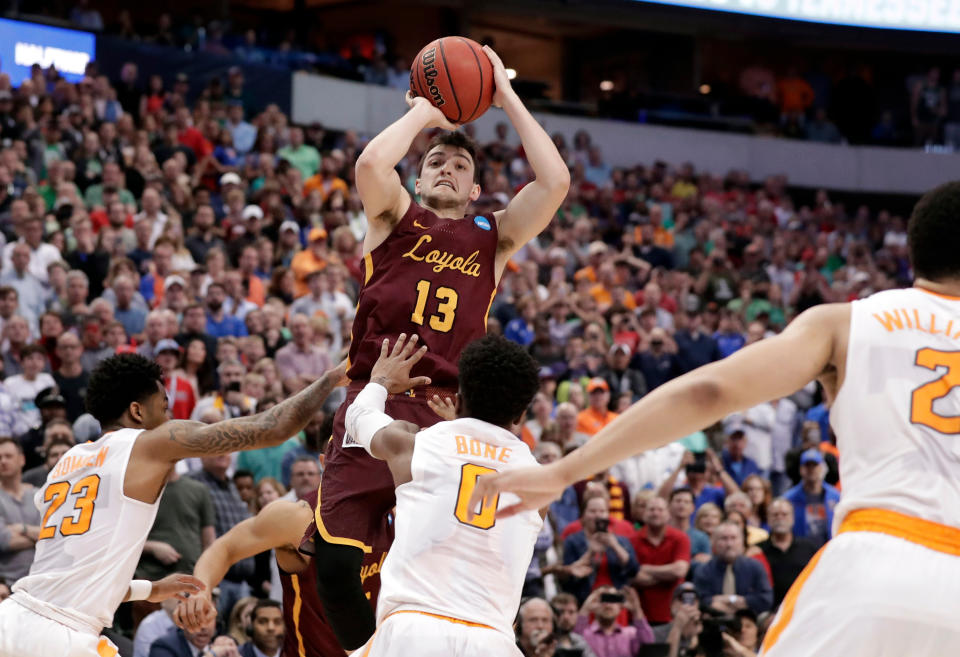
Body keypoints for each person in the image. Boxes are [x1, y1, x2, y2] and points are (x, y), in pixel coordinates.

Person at [471, 183, 960, 656]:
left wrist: (563, 472)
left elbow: (712, 391)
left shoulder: (847, 322)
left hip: (878, 560)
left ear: (913, 253)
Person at [308, 43, 569, 651]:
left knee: (444, 559)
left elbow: (554, 181)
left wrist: (503, 95)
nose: (447, 169)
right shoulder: (392, 217)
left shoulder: (494, 237)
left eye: (459, 165)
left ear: (475, 188)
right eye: (436, 163)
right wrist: (425, 112)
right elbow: (373, 163)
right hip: (372, 396)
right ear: (418, 177)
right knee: (337, 563)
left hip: (447, 416)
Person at [0, 352, 347, 657]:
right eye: (163, 407)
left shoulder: (66, 463)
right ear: (137, 411)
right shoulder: (151, 443)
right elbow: (271, 428)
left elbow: (68, 576)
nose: (168, 418)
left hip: (13, 618)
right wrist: (330, 380)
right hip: (65, 636)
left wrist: (150, 589)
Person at [343, 334, 545, 656]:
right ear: (521, 415)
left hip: (413, 630)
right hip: (492, 641)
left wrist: (380, 380)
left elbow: (356, 419)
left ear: (460, 398)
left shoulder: (415, 445)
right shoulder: (539, 484)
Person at [173, 490, 346, 657]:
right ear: (324, 462)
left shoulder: (372, 516)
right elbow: (226, 549)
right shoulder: (298, 517)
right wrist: (201, 591)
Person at [629, 496, 691, 624]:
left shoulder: (680, 538)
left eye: (660, 510)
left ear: (668, 514)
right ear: (644, 514)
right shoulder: (632, 540)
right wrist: (667, 575)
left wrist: (644, 568)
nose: (656, 513)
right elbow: (633, 577)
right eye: (651, 509)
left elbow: (679, 571)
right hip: (641, 615)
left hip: (673, 615)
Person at [692, 522, 773, 615]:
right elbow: (699, 600)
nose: (729, 544)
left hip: (749, 621)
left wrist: (739, 600)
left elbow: (766, 599)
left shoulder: (755, 567)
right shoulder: (704, 570)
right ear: (713, 542)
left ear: (742, 541)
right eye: (724, 538)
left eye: (733, 538)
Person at [757, 499, 817, 607]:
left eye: (784, 514)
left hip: (802, 607)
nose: (780, 518)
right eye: (775, 515)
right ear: (768, 519)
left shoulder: (809, 548)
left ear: (792, 518)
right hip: (769, 612)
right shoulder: (758, 550)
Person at [780, 448, 840, 548]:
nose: (811, 469)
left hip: (829, 548)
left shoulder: (835, 496)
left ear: (821, 468)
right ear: (801, 469)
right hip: (801, 551)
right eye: (807, 466)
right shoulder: (789, 499)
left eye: (814, 465)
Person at [550, 593, 597, 657]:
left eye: (571, 612)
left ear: (577, 614)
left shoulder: (580, 641)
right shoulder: (545, 643)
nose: (566, 617)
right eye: (561, 612)